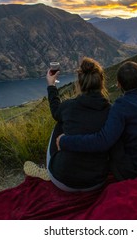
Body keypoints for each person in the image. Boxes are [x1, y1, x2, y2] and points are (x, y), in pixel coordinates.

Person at [57, 61, 137, 181]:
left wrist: (65, 141)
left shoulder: (120, 106)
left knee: (114, 138)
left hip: (136, 171)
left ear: (119, 84)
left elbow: (102, 141)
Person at [45, 57, 111, 192]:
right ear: (101, 83)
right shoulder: (111, 110)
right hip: (97, 181)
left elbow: (55, 111)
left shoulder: (69, 106)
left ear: (79, 83)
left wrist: (51, 86)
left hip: (62, 180)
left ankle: (53, 164)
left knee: (59, 124)